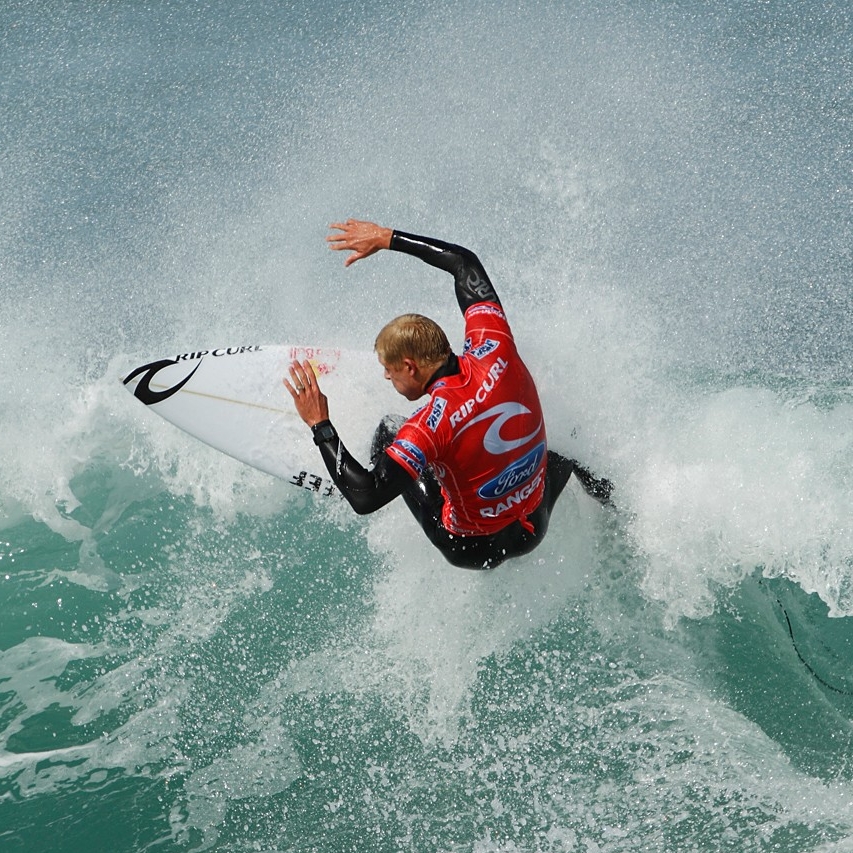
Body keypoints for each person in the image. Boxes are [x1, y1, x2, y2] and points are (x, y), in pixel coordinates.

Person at [284, 219, 611, 569]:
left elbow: (365, 498)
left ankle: (406, 468)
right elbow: (463, 263)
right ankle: (609, 498)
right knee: (567, 444)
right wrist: (387, 238)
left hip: (474, 549)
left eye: (389, 371)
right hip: (533, 525)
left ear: (410, 367)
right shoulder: (494, 341)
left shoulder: (428, 427)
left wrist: (321, 424)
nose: (385, 376)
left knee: (388, 430)